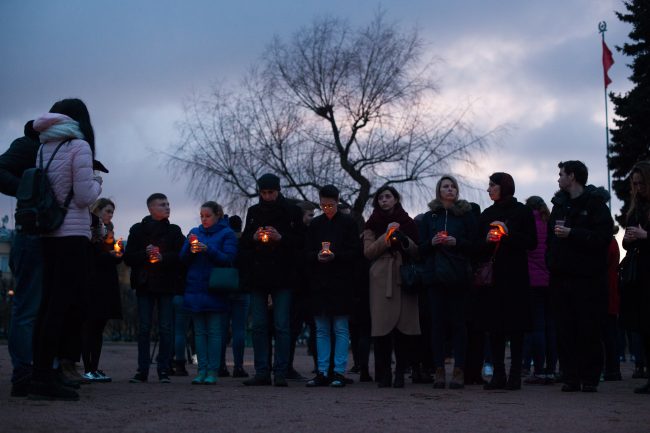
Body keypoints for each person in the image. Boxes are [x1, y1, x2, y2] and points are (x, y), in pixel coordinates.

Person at [29, 99, 103, 400]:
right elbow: (85, 196)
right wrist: (97, 181)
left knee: (48, 304)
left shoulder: (44, 147)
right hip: (72, 233)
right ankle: (48, 378)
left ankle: (40, 372)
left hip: (47, 233)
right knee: (64, 305)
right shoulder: (79, 146)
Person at [547, 160, 613, 392]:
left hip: (588, 279)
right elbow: (549, 239)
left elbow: (603, 236)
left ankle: (590, 377)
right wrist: (551, 264)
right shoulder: (558, 204)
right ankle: (570, 376)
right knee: (564, 329)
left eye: (561, 174)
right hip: (561, 277)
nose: (558, 178)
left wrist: (573, 233)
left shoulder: (595, 203)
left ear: (572, 176)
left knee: (588, 328)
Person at [239, 173, 304, 387]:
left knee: (282, 325)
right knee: (258, 325)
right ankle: (262, 371)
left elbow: (302, 242)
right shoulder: (253, 212)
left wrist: (281, 238)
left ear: (278, 191)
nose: (267, 196)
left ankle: (281, 371)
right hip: (258, 276)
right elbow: (244, 243)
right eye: (264, 193)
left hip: (283, 276)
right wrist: (253, 237)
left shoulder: (292, 211)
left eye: (271, 192)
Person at [476, 172, 537, 391]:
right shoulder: (487, 214)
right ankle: (498, 374)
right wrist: (487, 239)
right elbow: (477, 246)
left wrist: (507, 234)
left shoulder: (522, 212)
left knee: (516, 327)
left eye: (492, 185)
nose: (489, 189)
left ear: (504, 186)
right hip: (493, 278)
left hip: (515, 277)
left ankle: (514, 375)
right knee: (495, 328)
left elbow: (531, 242)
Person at [419, 176, 477, 389]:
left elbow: (475, 245)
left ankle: (459, 370)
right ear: (439, 190)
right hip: (435, 276)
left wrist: (457, 242)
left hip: (459, 276)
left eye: (453, 186)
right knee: (437, 326)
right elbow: (420, 249)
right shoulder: (429, 217)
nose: (450, 189)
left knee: (459, 324)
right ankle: (439, 371)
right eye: (446, 186)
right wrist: (432, 242)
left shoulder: (465, 216)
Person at [124, 193, 185, 384]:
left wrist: (163, 258)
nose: (167, 207)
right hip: (145, 284)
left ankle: (164, 369)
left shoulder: (174, 231)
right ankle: (142, 370)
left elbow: (182, 256)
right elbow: (128, 258)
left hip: (166, 285)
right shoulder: (137, 230)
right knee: (144, 328)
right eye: (162, 204)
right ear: (151, 208)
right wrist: (145, 254)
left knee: (166, 328)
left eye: (168, 204)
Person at [305, 185, 362, 387]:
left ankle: (338, 371)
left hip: (341, 282)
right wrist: (315, 257)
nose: (327, 208)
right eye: (323, 205)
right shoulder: (315, 224)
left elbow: (356, 252)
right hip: (320, 283)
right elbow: (306, 252)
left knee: (340, 327)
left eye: (330, 204)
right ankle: (322, 371)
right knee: (321, 328)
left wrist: (336, 256)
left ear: (338, 202)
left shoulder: (348, 223)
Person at [0, 120, 42, 397]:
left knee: (38, 307)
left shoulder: (57, 148)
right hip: (31, 232)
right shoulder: (28, 144)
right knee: (27, 308)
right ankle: (24, 373)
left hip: (46, 233)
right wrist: (28, 189)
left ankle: (40, 370)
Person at [364, 186, 420, 388]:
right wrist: (386, 237)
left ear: (396, 199)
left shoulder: (408, 223)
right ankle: (384, 373)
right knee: (382, 329)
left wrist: (404, 240)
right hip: (381, 278)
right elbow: (368, 252)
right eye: (380, 198)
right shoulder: (371, 224)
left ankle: (400, 374)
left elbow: (417, 251)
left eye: (388, 197)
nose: (384, 200)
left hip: (404, 276)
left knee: (403, 329)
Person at [180, 201, 237, 385]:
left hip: (215, 289)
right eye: (202, 216)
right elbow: (182, 259)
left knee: (214, 332)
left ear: (217, 215)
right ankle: (201, 369)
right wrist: (190, 248)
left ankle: (213, 370)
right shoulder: (194, 232)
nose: (204, 219)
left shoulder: (226, 233)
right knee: (199, 333)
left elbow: (228, 259)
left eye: (208, 216)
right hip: (195, 288)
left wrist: (208, 249)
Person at [81, 198, 123, 382]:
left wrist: (117, 254)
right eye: (107, 211)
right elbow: (91, 257)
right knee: (88, 327)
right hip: (91, 283)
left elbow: (109, 257)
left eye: (112, 212)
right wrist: (109, 254)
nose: (110, 215)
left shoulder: (109, 231)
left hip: (106, 283)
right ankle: (87, 367)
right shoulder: (89, 230)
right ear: (97, 210)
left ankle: (95, 367)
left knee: (98, 329)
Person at [620, 161, 650, 394]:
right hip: (639, 271)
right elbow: (626, 241)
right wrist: (629, 239)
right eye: (635, 184)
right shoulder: (635, 207)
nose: (638, 187)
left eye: (641, 183)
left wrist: (644, 234)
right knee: (642, 324)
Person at [522, 196, 557, 385]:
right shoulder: (550, 224)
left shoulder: (528, 225)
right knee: (551, 326)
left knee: (537, 327)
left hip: (533, 281)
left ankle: (539, 369)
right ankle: (552, 369)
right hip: (550, 281)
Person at [218, 214, 250, 378]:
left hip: (223, 287)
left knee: (222, 329)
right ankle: (238, 366)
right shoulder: (245, 240)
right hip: (243, 288)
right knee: (239, 330)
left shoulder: (224, 238)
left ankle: (221, 365)